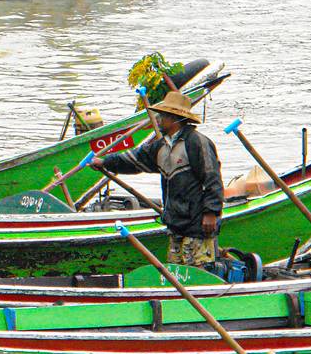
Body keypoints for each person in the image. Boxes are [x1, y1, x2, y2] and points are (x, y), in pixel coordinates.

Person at [92, 91, 224, 267]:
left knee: (197, 270)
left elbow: (212, 178)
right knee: (175, 270)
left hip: (197, 223)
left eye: (163, 116)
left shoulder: (197, 142)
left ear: (174, 119)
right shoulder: (161, 146)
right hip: (175, 222)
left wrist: (211, 212)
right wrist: (105, 162)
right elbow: (136, 159)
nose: (159, 120)